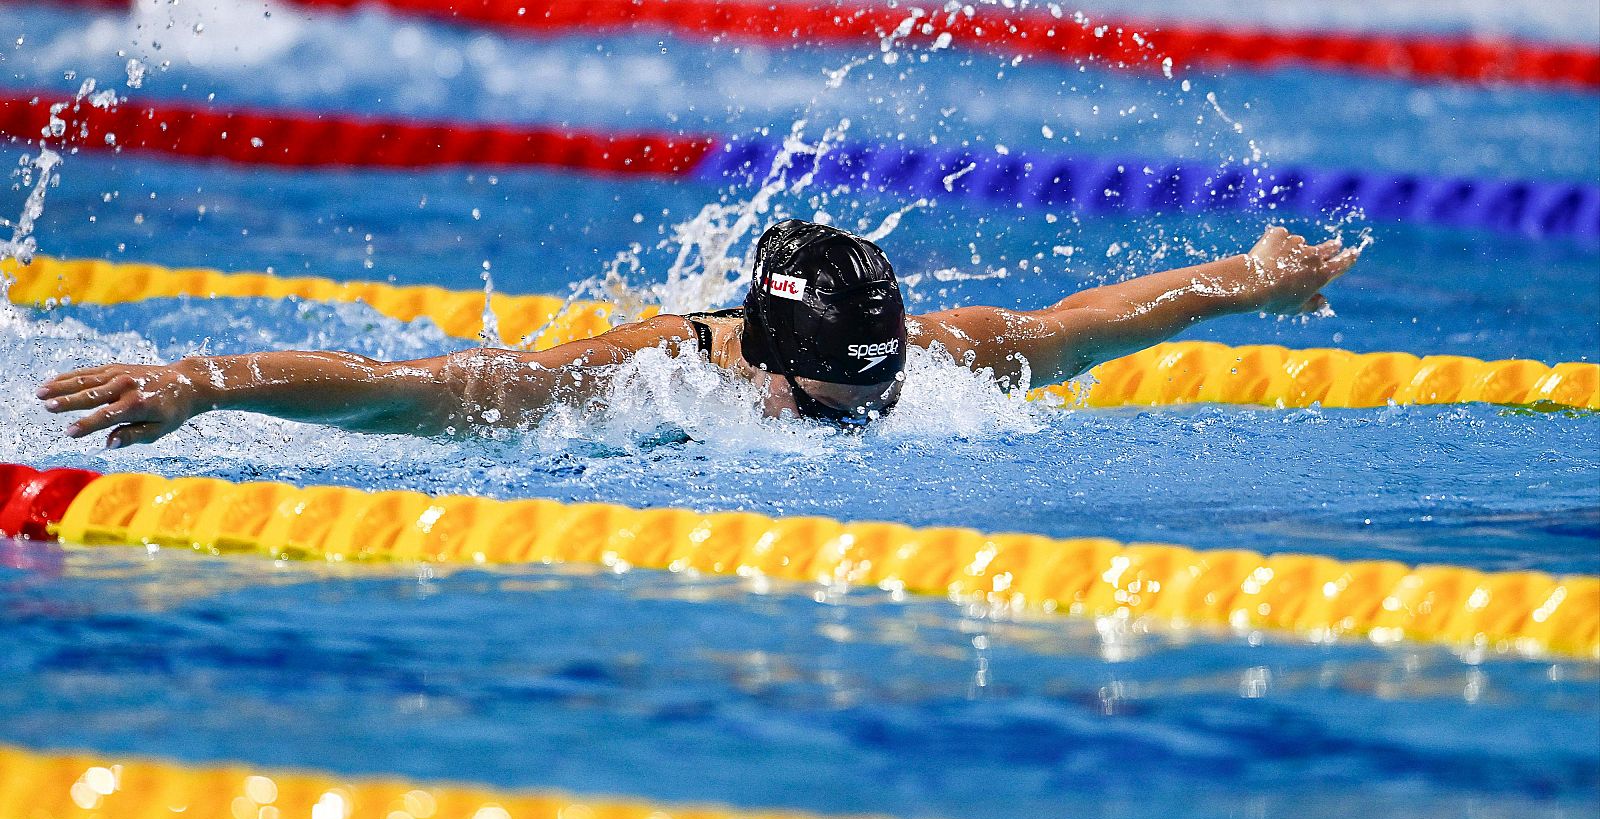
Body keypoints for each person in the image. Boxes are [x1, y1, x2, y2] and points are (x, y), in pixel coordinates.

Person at [37, 220, 1358, 446]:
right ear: (765, 367)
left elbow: (1090, 321)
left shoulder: (920, 362)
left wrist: (1248, 280)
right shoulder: (637, 378)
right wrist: (200, 382)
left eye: (875, 395)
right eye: (837, 405)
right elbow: (408, 391)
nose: (863, 422)